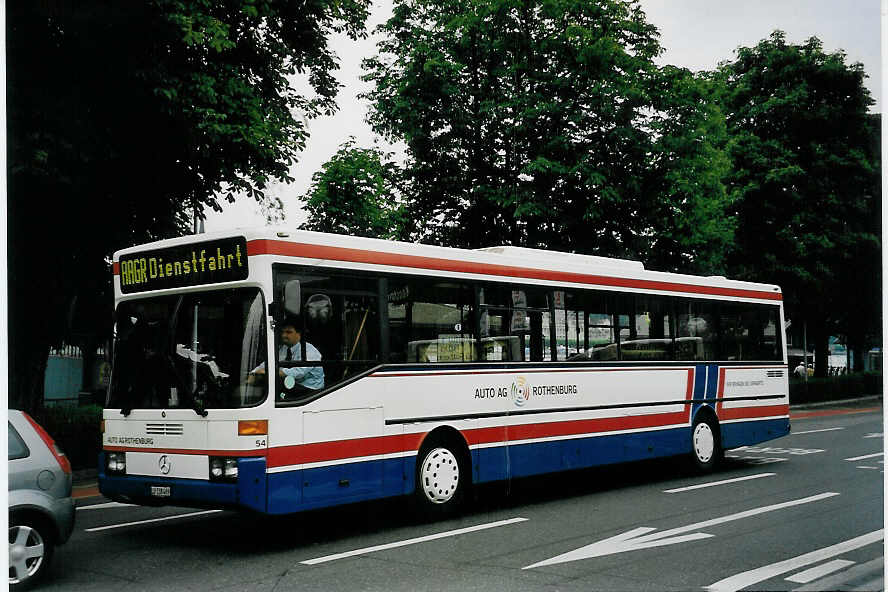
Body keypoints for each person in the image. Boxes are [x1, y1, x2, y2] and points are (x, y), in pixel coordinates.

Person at [248, 317, 324, 393]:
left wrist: (267, 371)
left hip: (310, 390)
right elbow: (267, 363)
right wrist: (253, 373)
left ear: (299, 333)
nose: (283, 335)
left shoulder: (309, 351)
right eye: (282, 332)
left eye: (288, 332)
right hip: (291, 385)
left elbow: (297, 373)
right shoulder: (283, 349)